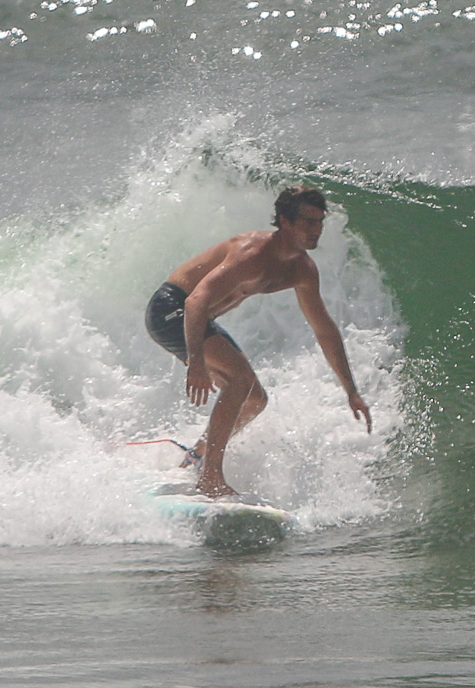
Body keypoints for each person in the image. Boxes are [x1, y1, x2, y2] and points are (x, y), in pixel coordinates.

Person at [145, 186, 371, 497]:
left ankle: (195, 456)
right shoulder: (250, 254)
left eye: (319, 223)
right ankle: (210, 478)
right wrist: (196, 362)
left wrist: (351, 390)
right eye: (307, 222)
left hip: (199, 319)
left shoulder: (302, 270)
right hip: (173, 310)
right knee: (238, 381)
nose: (315, 230)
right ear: (285, 221)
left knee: (255, 399)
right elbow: (196, 301)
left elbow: (324, 329)